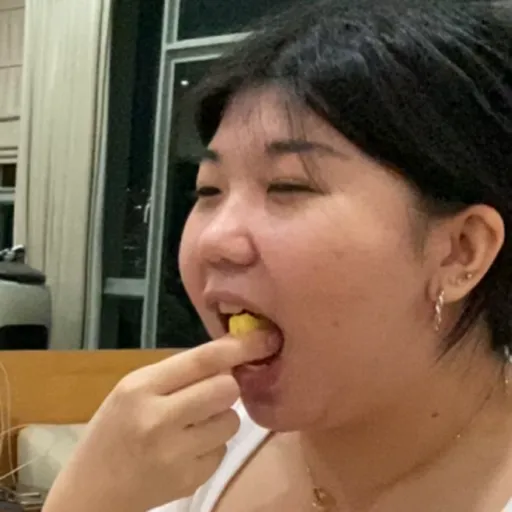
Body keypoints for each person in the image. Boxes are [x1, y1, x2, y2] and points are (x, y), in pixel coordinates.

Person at [42, 0, 512, 510]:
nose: (213, 240)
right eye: (208, 190)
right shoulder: (188, 456)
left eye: (288, 186)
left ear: (461, 251)